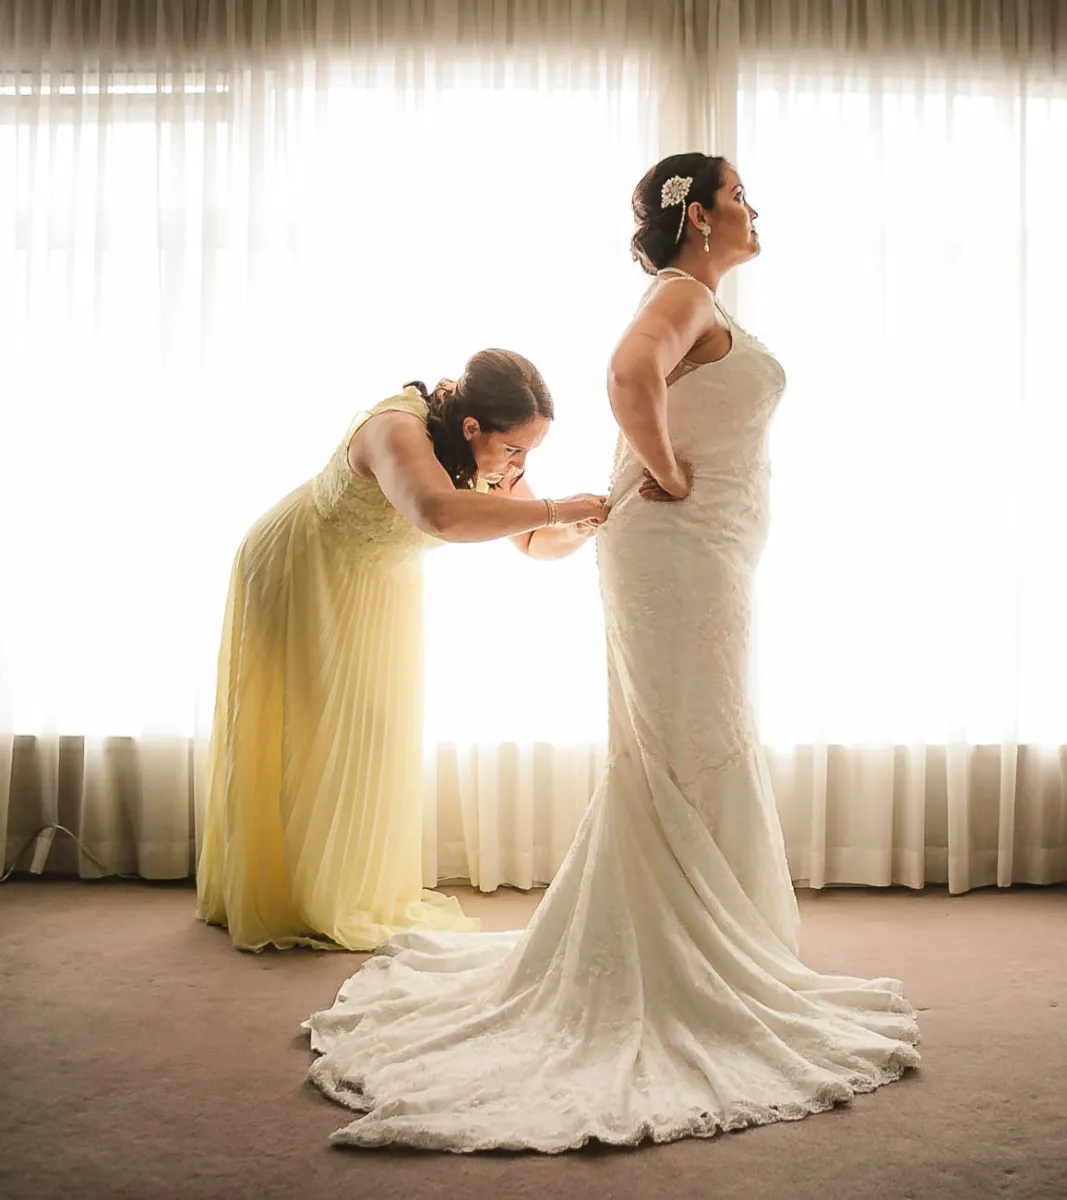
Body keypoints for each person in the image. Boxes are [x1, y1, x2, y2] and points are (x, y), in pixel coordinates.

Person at [303, 155, 920, 1150]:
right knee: (691, 739)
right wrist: (669, 470)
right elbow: (628, 378)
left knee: (696, 736)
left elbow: (663, 390)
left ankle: (718, 950)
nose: (754, 208)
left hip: (700, 556)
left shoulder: (695, 298)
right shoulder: (678, 293)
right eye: (740, 195)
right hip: (676, 556)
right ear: (698, 217)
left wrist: (677, 481)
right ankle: (691, 968)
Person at [197, 349, 608, 952]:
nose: (520, 464)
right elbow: (437, 512)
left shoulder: (495, 454)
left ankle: (345, 891)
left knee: (371, 735)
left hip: (378, 586)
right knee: (304, 731)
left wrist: (573, 529)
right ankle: (286, 893)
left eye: (530, 453)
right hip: (301, 569)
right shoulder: (396, 428)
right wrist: (556, 506)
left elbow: (530, 540)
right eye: (515, 450)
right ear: (471, 428)